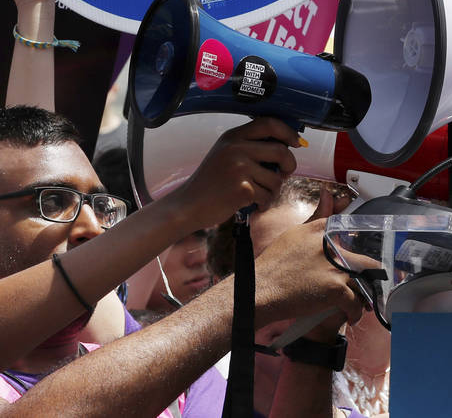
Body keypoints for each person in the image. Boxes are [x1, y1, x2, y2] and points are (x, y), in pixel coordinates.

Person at [0, 106, 360, 416]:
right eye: (51, 202)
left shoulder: (177, 369)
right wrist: (257, 287)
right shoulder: (175, 353)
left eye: (101, 207)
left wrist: (314, 341)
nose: (92, 228)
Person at [210, 177, 391, 417]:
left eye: (323, 266)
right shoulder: (185, 399)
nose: (300, 297)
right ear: (218, 287)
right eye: (275, 271)